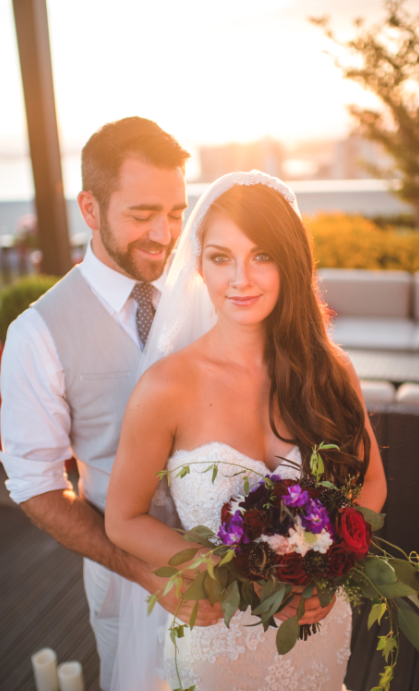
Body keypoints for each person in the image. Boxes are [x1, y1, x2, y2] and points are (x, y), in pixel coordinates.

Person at [105, 171, 387, 690]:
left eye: (262, 255)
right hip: (218, 641)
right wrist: (229, 569)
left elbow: (372, 485)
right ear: (199, 267)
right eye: (220, 257)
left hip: (316, 635)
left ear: (290, 262)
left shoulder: (332, 370)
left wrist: (334, 571)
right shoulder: (166, 387)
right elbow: (123, 519)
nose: (240, 279)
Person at [0, 117, 225, 691]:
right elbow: (37, 486)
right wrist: (144, 573)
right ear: (90, 208)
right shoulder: (37, 333)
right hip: (124, 576)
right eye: (141, 214)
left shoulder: (205, 292)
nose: (166, 234)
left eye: (175, 213)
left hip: (233, 566)